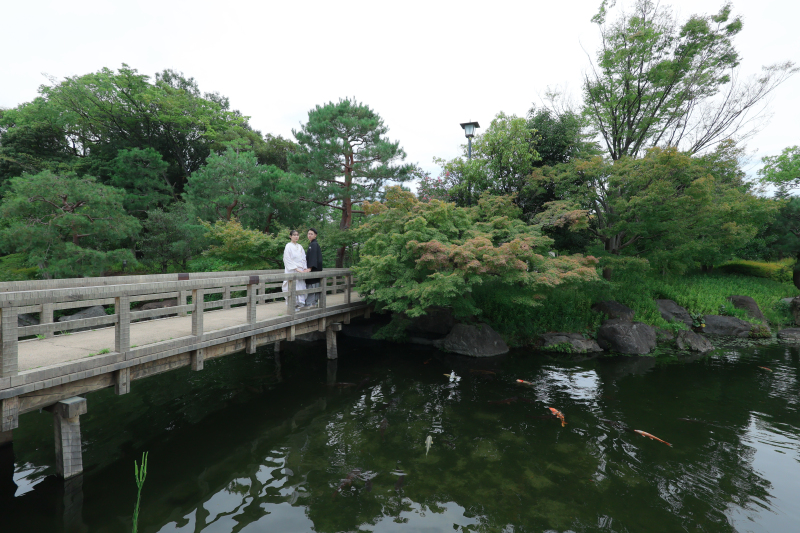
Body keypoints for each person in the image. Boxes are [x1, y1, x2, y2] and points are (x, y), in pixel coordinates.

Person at [282, 230, 309, 309]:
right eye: (294, 235)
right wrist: (296, 269)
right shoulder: (288, 246)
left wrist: (304, 268)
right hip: (292, 269)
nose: (296, 236)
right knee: (292, 287)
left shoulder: (300, 246)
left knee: (300, 286)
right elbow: (287, 259)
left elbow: (304, 258)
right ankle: (292, 305)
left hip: (301, 269)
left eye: (297, 235)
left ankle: (299, 304)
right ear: (290, 236)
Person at [305, 228, 323, 307]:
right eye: (308, 233)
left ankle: (310, 303)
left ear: (315, 235)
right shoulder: (312, 244)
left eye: (311, 234)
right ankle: (314, 303)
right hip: (315, 269)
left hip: (313, 270)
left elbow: (313, 257)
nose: (309, 235)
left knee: (312, 285)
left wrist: (310, 268)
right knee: (315, 285)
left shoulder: (314, 245)